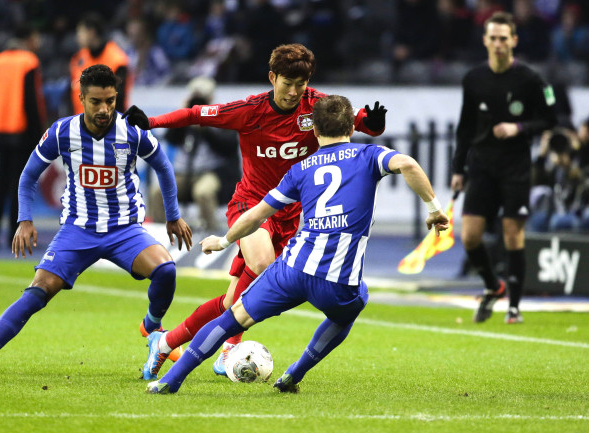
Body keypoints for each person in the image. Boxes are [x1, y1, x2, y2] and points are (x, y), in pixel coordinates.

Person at [143, 94, 449, 394]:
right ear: (351, 129)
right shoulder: (369, 156)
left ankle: (170, 381)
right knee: (354, 304)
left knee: (233, 317)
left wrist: (223, 241)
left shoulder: (300, 169)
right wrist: (434, 208)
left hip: (291, 271)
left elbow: (257, 214)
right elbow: (408, 164)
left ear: (314, 131)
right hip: (337, 281)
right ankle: (293, 374)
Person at [123, 43, 387, 380]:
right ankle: (230, 349)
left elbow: (358, 122)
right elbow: (195, 114)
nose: (293, 92)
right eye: (287, 83)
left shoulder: (316, 106)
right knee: (262, 265)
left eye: (300, 84)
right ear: (272, 77)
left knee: (232, 302)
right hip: (251, 205)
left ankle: (165, 342)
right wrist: (152, 121)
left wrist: (374, 124)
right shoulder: (250, 110)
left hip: (290, 216)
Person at [0, 65, 192, 376]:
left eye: (110, 100)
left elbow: (163, 165)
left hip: (125, 230)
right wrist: (24, 219)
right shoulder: (62, 132)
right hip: (77, 230)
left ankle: (152, 329)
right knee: (38, 292)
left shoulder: (131, 131)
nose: (104, 109)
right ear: (81, 98)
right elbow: (27, 177)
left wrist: (173, 216)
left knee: (165, 270)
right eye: (96, 101)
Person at [451, 12, 557, 325]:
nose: (498, 44)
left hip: (515, 166)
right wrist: (459, 168)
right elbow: (465, 127)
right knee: (470, 237)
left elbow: (550, 120)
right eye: (493, 38)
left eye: (503, 38)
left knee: (513, 235)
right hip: (482, 164)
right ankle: (491, 285)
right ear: (485, 41)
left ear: (514, 40)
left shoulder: (530, 79)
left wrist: (519, 127)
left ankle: (514, 307)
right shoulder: (473, 79)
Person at [0, 24, 47, 251]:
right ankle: (14, 233)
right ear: (28, 38)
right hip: (21, 129)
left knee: (0, 183)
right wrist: (40, 132)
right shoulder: (29, 62)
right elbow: (32, 100)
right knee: (20, 183)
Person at [150, 77, 239, 231]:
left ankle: (212, 233)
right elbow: (171, 139)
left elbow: (229, 147)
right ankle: (161, 233)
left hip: (212, 172)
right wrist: (181, 116)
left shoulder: (223, 115)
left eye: (202, 98)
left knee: (203, 192)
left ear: (211, 98)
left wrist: (205, 126)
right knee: (158, 192)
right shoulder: (185, 116)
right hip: (184, 173)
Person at [70, 12, 131, 114]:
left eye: (81, 32)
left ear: (91, 32)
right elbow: (71, 93)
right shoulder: (78, 59)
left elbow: (118, 98)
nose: (78, 37)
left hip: (109, 125)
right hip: (80, 125)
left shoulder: (117, 59)